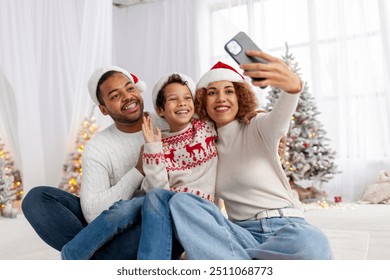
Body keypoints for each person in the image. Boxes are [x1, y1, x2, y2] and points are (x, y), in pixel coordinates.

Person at [169, 52, 333, 260]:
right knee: (182, 202)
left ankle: (235, 261)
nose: (221, 98)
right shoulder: (203, 144)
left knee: (312, 242)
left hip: (285, 227)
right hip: (240, 233)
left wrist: (293, 88)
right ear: (202, 101)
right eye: (212, 93)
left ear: (240, 96)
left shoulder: (257, 126)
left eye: (229, 91)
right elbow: (170, 115)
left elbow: (280, 117)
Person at [22, 66, 169, 259]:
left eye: (130, 88)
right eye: (115, 96)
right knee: (36, 199)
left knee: (154, 230)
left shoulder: (167, 122)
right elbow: (92, 212)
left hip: (151, 224)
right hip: (110, 224)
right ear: (104, 109)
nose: (127, 97)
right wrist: (139, 170)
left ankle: (87, 254)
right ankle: (99, 256)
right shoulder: (98, 147)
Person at [137, 72, 218, 259]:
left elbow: (229, 114)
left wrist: (257, 113)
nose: (182, 103)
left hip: (202, 210)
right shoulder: (159, 143)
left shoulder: (205, 127)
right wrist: (153, 148)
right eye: (173, 99)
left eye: (187, 98)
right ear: (161, 110)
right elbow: (157, 193)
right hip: (171, 211)